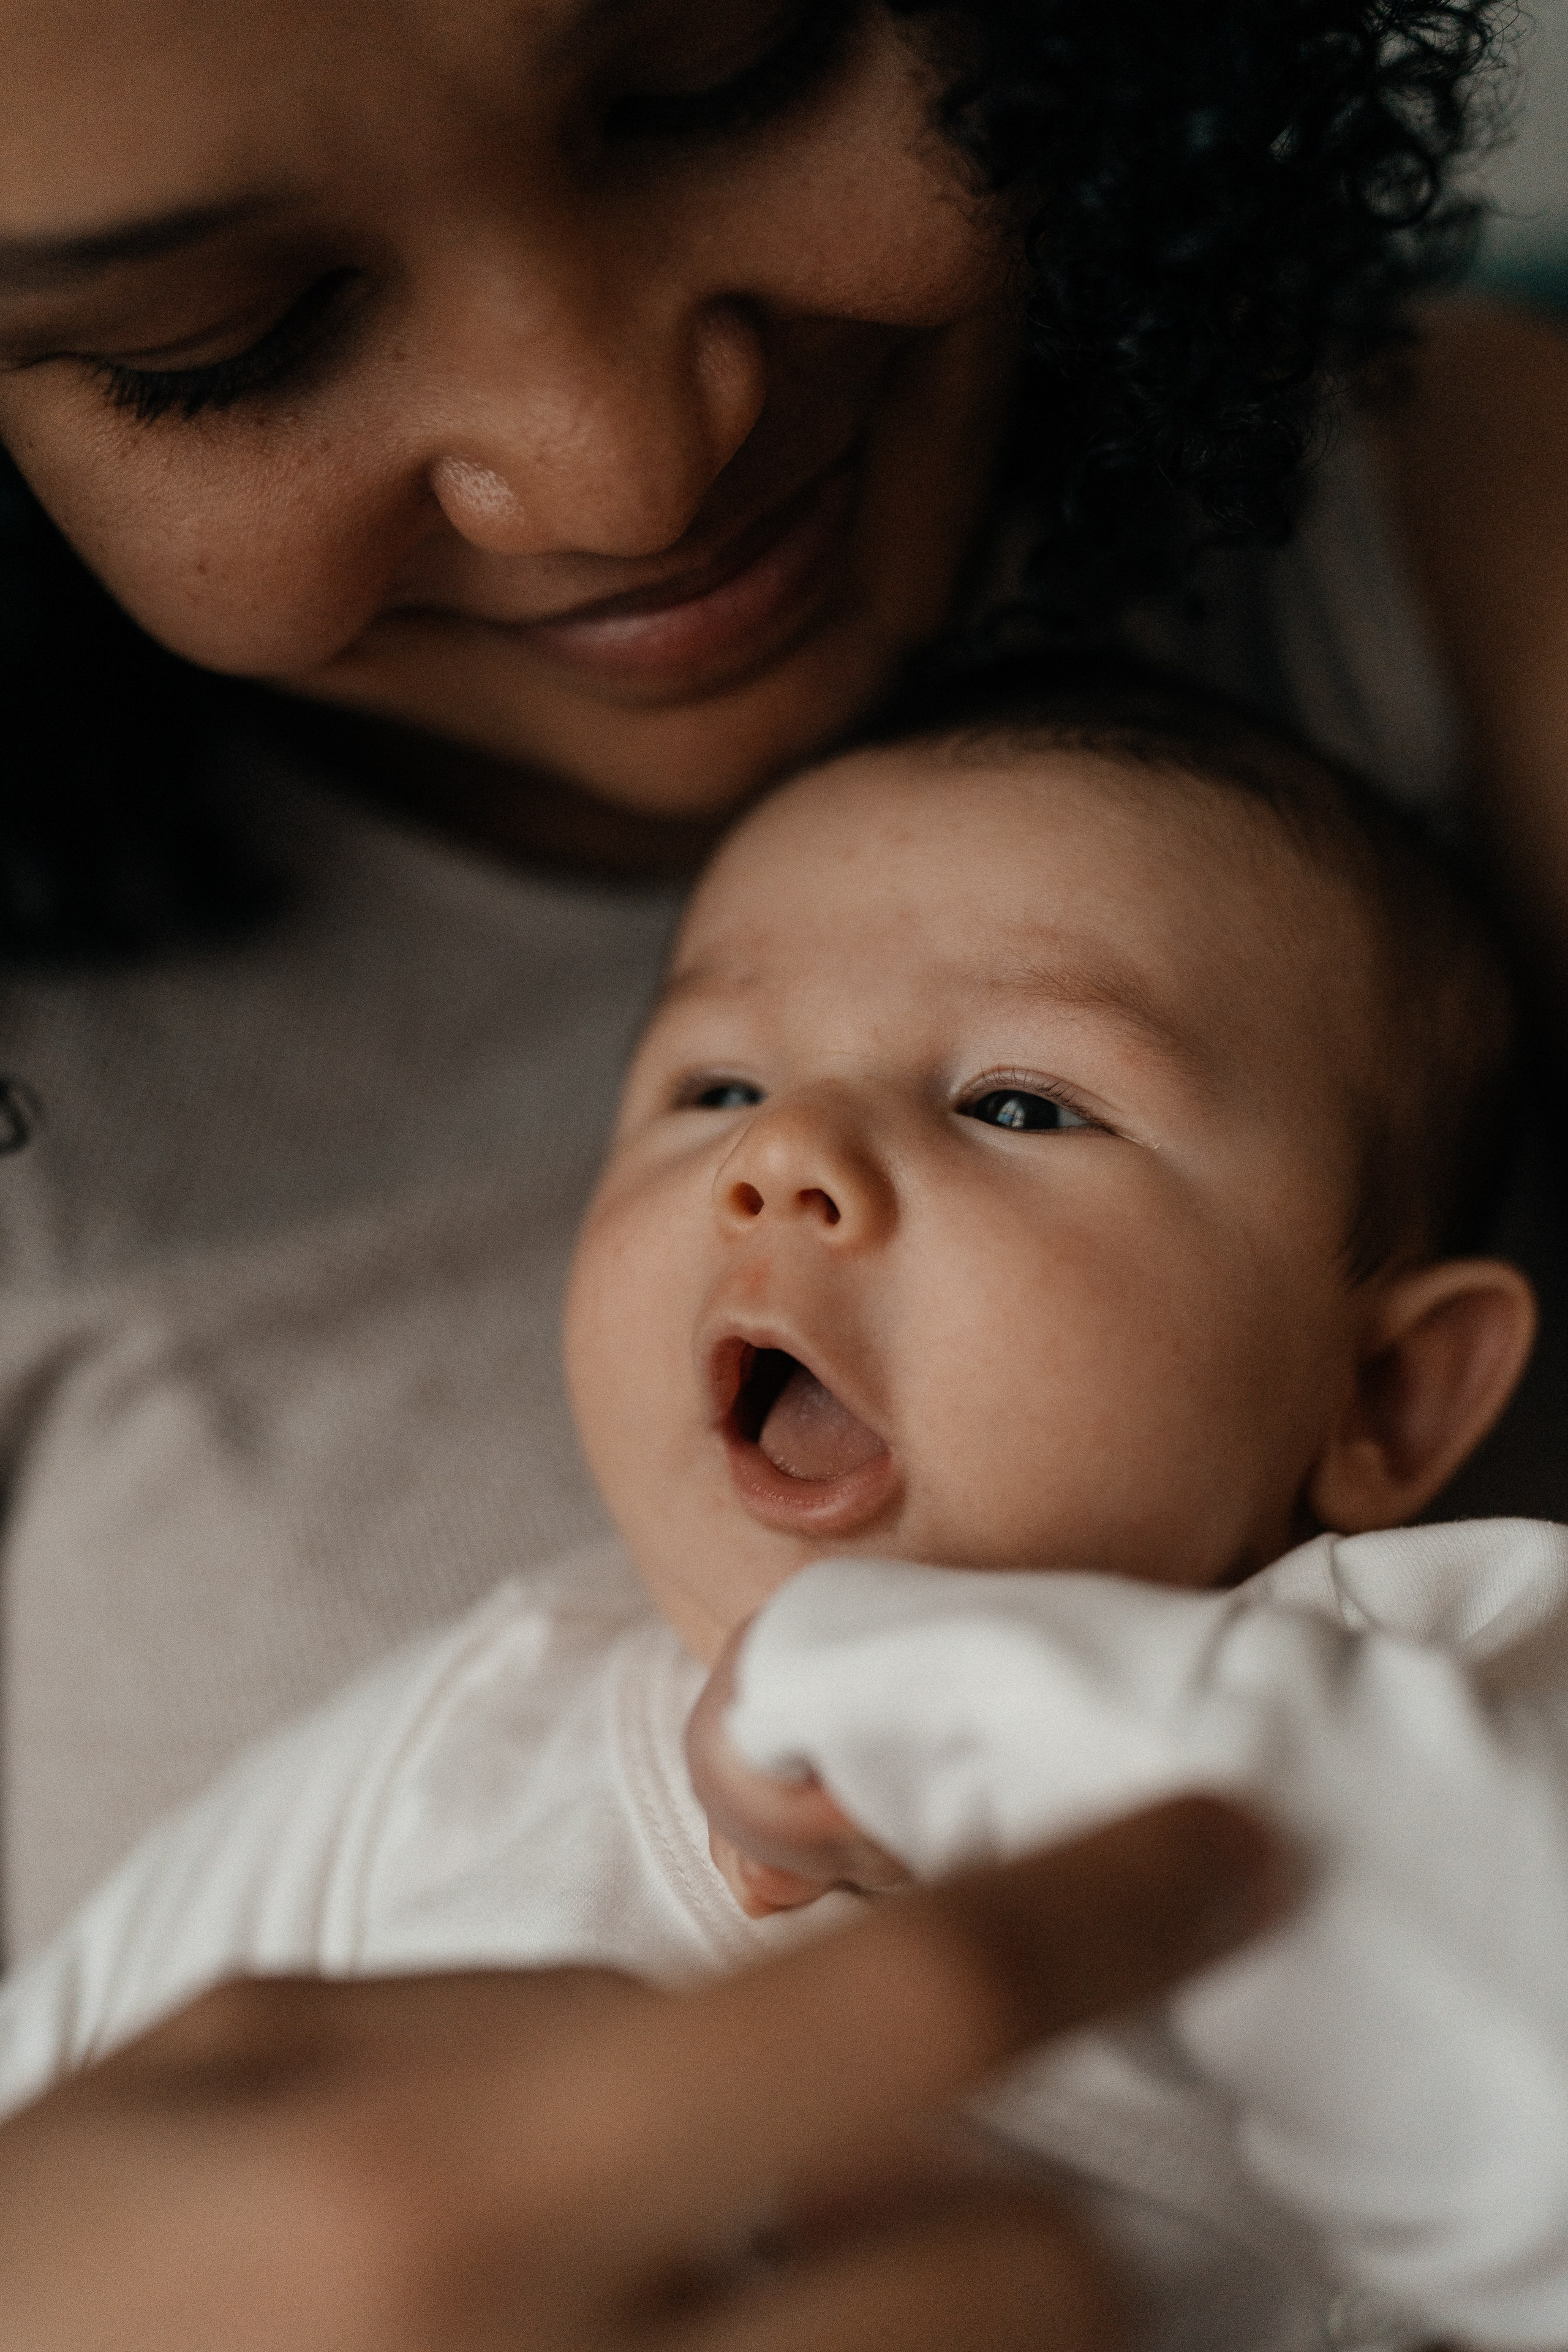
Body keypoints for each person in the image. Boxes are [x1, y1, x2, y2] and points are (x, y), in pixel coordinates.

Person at [0, 0, 1560, 2334]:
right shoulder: (449, 1748)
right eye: (219, 340)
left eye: (717, 77)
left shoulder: (1432, 1677)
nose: (618, 463)